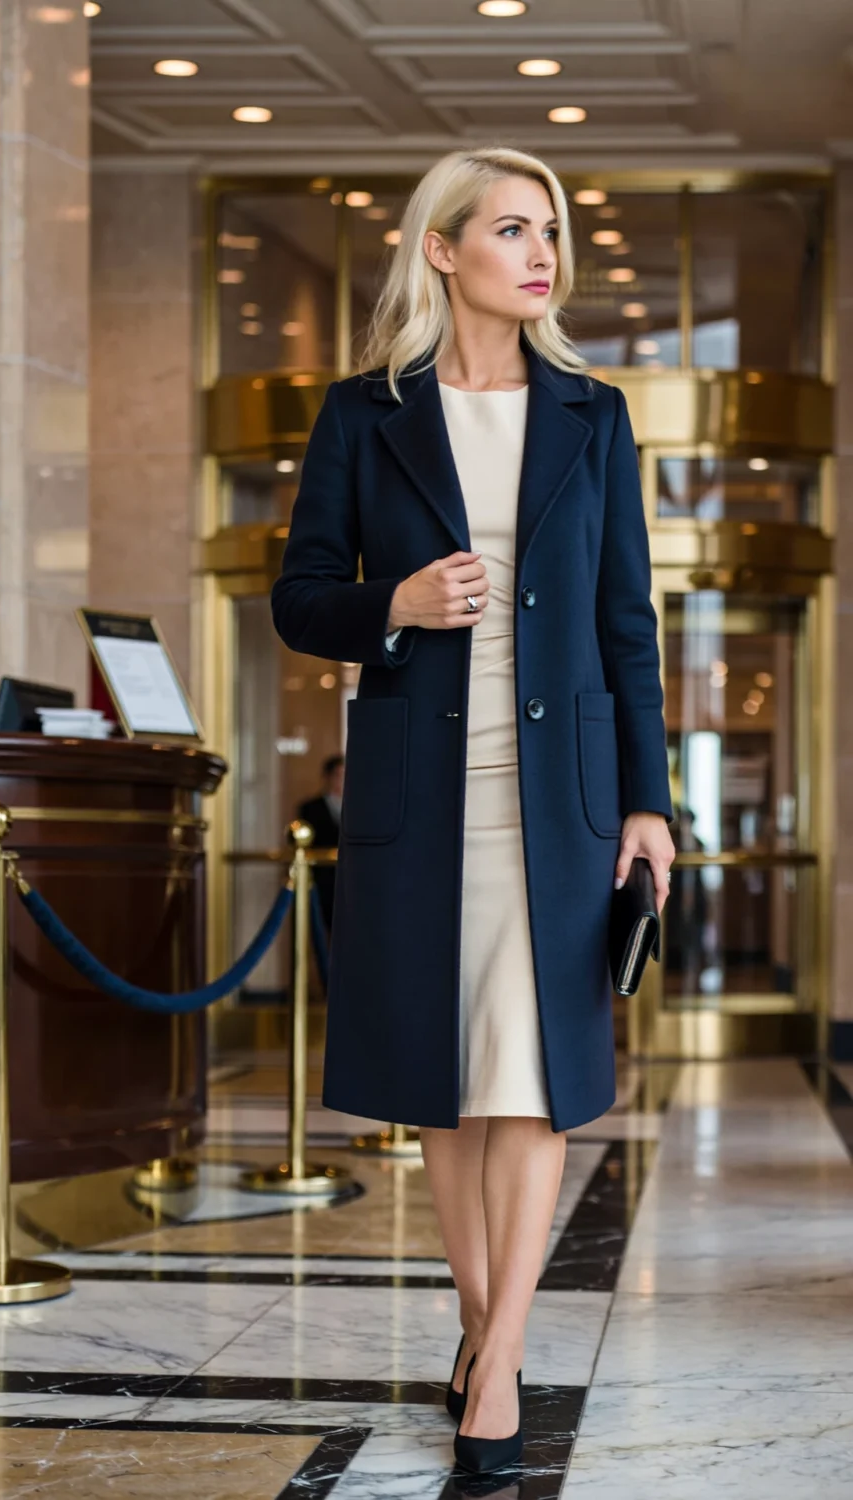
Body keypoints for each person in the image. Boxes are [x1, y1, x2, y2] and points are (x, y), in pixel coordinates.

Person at [271, 147, 675, 1475]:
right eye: (512, 227)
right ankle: (477, 1324)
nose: (542, 249)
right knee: (449, 1091)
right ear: (444, 250)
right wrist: (391, 606)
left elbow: (629, 624)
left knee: (534, 1089)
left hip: (559, 798)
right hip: (419, 793)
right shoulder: (361, 413)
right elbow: (301, 593)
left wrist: (648, 806)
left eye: (548, 228)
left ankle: (495, 1368)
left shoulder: (592, 415)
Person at [296, 754, 344, 930]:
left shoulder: (356, 808)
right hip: (321, 880)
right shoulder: (310, 808)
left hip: (346, 878)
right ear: (327, 777)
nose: (342, 781)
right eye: (338, 775)